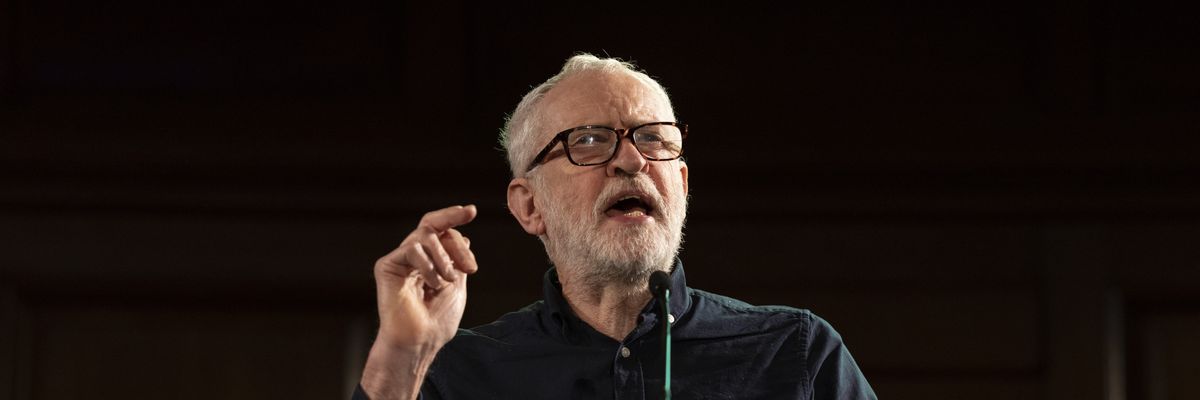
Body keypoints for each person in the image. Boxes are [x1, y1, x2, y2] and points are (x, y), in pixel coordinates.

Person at [354, 54, 876, 400]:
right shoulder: (455, 375)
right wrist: (400, 360)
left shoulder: (795, 353)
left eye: (654, 139)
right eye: (587, 141)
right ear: (529, 205)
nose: (631, 161)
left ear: (683, 183)